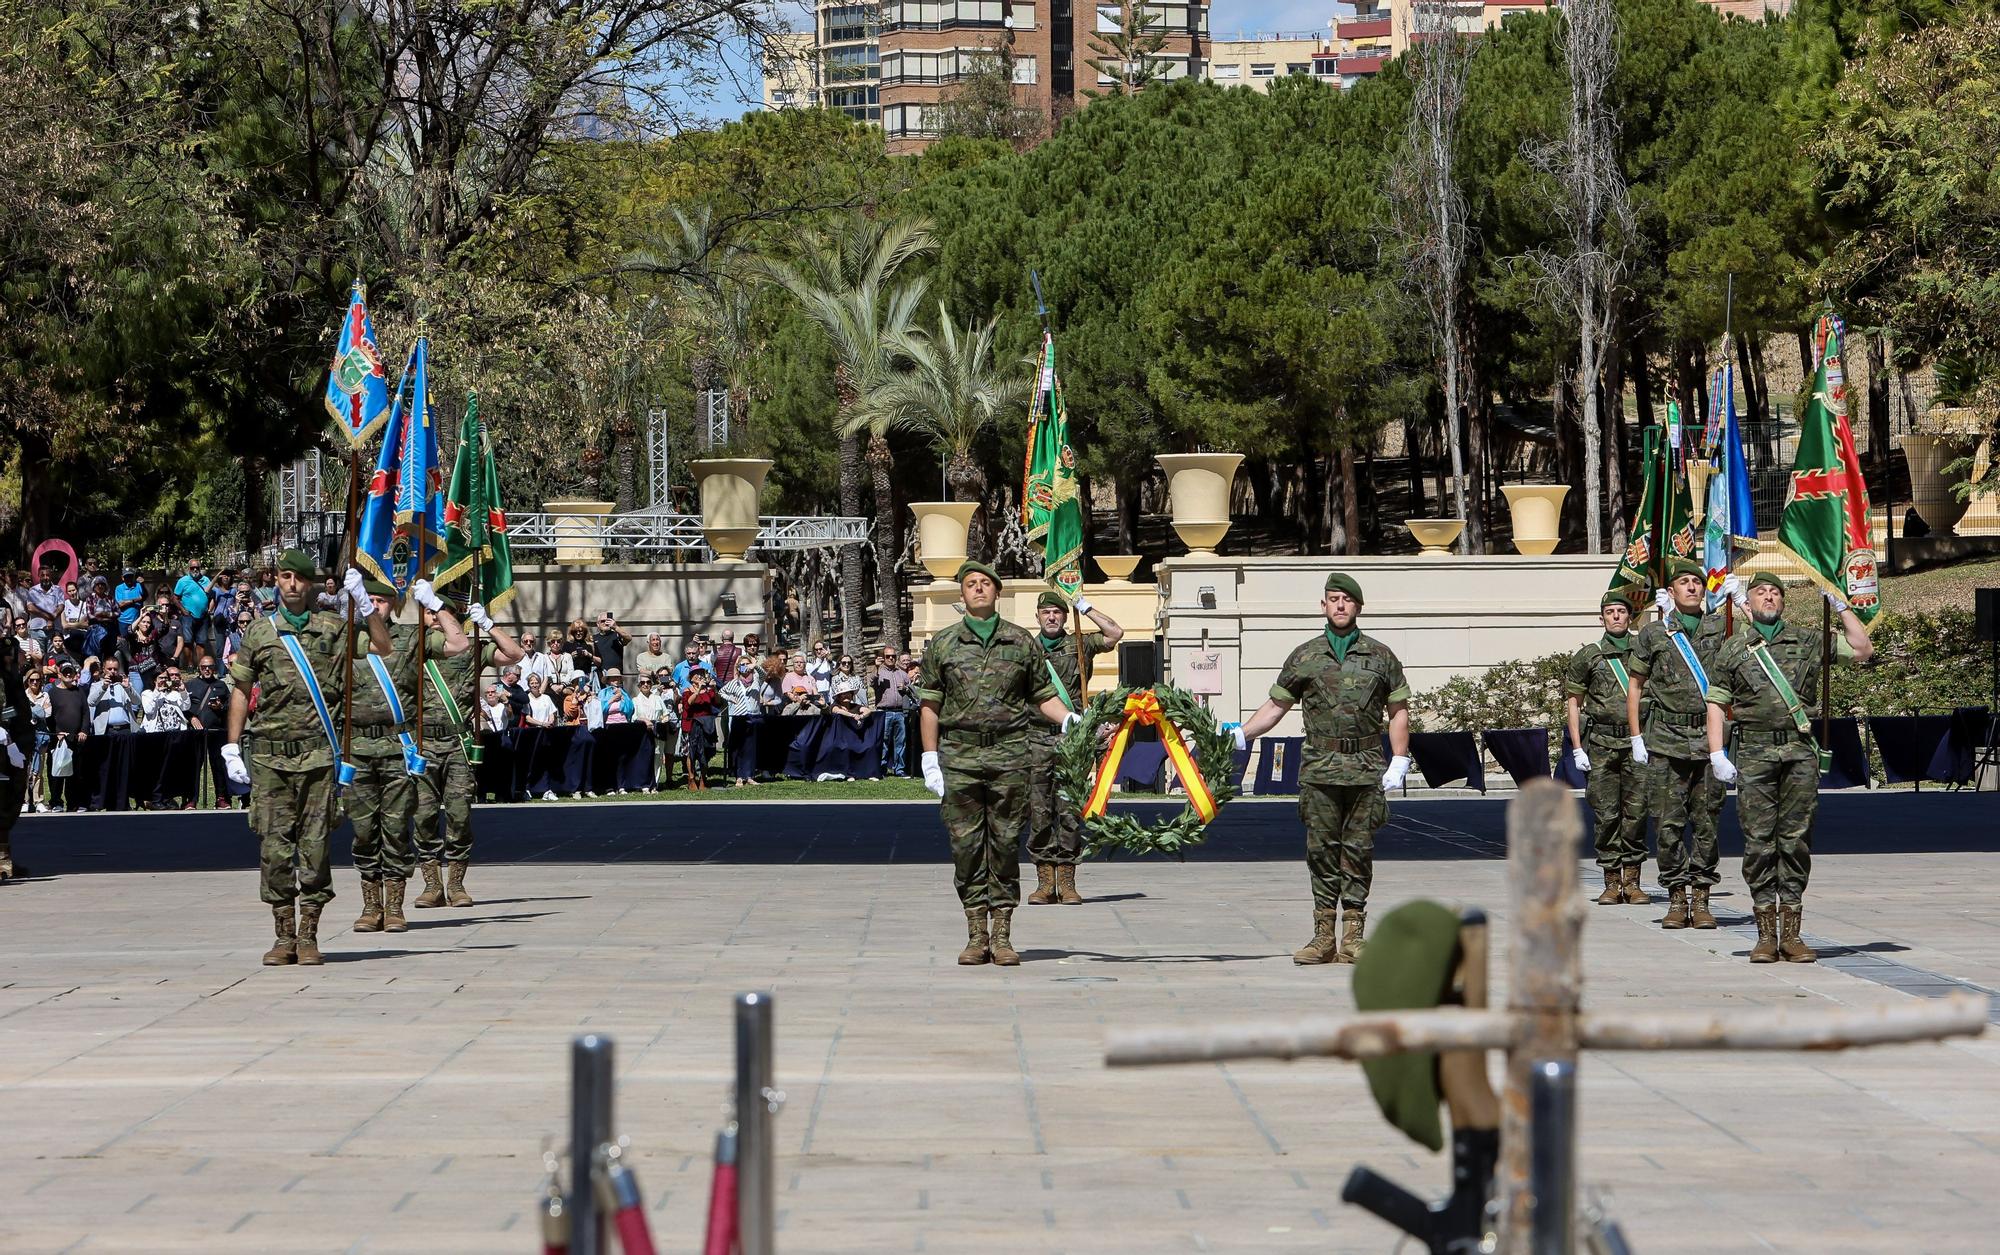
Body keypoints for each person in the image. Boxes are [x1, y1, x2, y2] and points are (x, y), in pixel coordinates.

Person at [1232, 572, 1411, 966]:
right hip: (1320, 768)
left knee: (1359, 851)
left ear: (1358, 607)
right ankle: (1322, 937)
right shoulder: (1305, 656)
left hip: (1365, 768)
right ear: (1323, 606)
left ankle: (1354, 937)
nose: (1340, 606)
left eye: (1347, 600)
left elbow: (1398, 710)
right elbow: (1276, 706)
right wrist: (1242, 734)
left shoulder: (1380, 656)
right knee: (1321, 851)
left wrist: (1400, 758)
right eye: (1333, 599)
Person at [223, 553, 390, 965]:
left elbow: (383, 647)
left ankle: (309, 934)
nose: (292, 584)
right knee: (275, 848)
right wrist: (231, 744)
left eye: (299, 578)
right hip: (270, 759)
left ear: (311, 584)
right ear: (276, 581)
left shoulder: (332, 628)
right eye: (285, 576)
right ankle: (283, 936)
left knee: (314, 849)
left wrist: (365, 608)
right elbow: (242, 690)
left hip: (317, 756)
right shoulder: (261, 632)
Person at [1706, 574, 1873, 963]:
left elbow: (1862, 648)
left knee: (1795, 840)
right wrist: (1717, 754)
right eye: (1761, 592)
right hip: (1753, 752)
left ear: (1783, 601)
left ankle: (1792, 934)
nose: (1769, 597)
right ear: (1749, 602)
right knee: (1759, 842)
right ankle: (1766, 934)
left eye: (1775, 592)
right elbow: (1716, 702)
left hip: (1799, 752)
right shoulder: (1733, 649)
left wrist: (1842, 606)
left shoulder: (1808, 640)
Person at [917, 562, 1075, 968]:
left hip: (1010, 756)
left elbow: (1043, 694)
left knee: (1004, 845)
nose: (978, 589)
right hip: (960, 758)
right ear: (962, 594)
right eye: (970, 584)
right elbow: (930, 704)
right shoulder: (944, 644)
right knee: (967, 847)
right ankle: (976, 934)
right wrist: (929, 756)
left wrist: (1070, 719)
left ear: (997, 593)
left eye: (985, 583)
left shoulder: (1021, 641)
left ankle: (1002, 934)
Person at [341, 575, 467, 935]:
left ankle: (394, 907)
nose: (374, 607)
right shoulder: (346, 639)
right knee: (364, 832)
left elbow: (459, 644)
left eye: (380, 602)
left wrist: (438, 605)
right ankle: (371, 906)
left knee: (396, 829)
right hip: (359, 750)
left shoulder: (413, 639)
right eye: (368, 601)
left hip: (398, 750)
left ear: (392, 605)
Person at [1626, 558, 1739, 931]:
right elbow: (1636, 686)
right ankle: (1677, 897)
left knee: (1706, 822)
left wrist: (1739, 604)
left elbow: (1758, 646)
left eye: (1697, 582)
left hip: (1709, 742)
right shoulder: (1655, 633)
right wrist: (1636, 736)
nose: (1692, 587)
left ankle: (1702, 899)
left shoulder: (1719, 627)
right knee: (1667, 824)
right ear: (1670, 592)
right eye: (1684, 583)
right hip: (1666, 740)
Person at [412, 596, 518, 909]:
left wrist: (488, 625)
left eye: (439, 611)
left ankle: (456, 883)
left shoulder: (472, 649)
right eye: (428, 611)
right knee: (423, 817)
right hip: (422, 745)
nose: (433, 616)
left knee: (459, 816)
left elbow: (515, 653)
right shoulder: (413, 647)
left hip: (457, 745)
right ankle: (432, 885)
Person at [1025, 590, 1124, 906]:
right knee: (1039, 812)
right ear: (1037, 617)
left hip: (1073, 740)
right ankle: (1044, 883)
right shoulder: (1026, 650)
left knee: (1068, 810)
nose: (1052, 617)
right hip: (1036, 737)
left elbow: (1115, 633)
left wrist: (1086, 606)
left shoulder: (1079, 643)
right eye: (1046, 613)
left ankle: (1067, 882)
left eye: (1058, 612)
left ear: (1066, 617)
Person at [1565, 591, 1649, 906]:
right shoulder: (1589, 655)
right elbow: (1574, 703)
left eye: (1621, 611)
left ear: (1630, 618)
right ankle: (1612, 882)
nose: (1615, 616)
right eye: (1609, 612)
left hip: (1635, 743)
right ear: (1601, 618)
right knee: (1606, 813)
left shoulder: (1643, 653)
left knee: (1637, 812)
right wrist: (1577, 747)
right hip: (1600, 743)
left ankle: (1633, 882)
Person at [0, 634, 33, 880]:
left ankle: (6, 858)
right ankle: (3, 861)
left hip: (18, 744)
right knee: (2, 804)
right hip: (4, 745)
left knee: (13, 802)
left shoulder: (13, 676)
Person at [719, 659, 766, 786]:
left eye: (747, 664)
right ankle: (739, 776)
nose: (745, 667)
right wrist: (731, 699)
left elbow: (764, 674)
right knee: (739, 747)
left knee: (751, 748)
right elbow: (721, 692)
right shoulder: (734, 683)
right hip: (739, 717)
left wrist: (755, 666)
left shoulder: (757, 680)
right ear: (738, 667)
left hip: (754, 716)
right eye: (742, 665)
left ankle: (750, 775)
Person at [871, 648, 912, 777]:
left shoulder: (902, 673)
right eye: (888, 656)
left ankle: (899, 769)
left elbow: (911, 689)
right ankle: (881, 768)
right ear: (884, 657)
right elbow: (872, 682)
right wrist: (876, 668)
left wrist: (906, 688)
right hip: (885, 712)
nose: (891, 658)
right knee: (884, 742)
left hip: (900, 712)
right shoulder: (880, 672)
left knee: (901, 742)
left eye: (893, 656)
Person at [678, 668, 719, 790]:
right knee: (691, 753)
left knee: (705, 752)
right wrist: (698, 690)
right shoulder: (687, 691)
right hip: (691, 726)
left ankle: (703, 778)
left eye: (701, 673)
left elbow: (717, 702)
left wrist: (714, 689)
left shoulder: (708, 690)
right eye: (696, 674)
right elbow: (688, 703)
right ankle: (691, 778)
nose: (699, 676)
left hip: (706, 725)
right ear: (691, 678)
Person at [174, 559, 213, 654]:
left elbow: (212, 597)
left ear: (200, 568)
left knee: (201, 642)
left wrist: (210, 610)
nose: (195, 569)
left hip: (203, 617)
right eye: (192, 567)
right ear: (189, 568)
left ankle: (200, 667)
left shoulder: (206, 580)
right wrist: (183, 610)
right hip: (188, 616)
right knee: (187, 642)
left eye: (197, 567)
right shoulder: (183, 581)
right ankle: (190, 666)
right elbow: (175, 598)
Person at [24, 568, 64, 650]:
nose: (45, 577)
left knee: (53, 657)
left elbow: (61, 606)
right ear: (39, 576)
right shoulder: (33, 590)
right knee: (38, 656)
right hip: (37, 630)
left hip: (54, 629)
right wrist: (48, 617)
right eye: (43, 575)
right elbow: (30, 607)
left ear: (51, 576)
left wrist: (52, 618)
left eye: (48, 575)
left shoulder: (58, 589)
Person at [114, 569, 147, 635]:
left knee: (136, 642)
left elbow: (145, 597)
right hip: (123, 622)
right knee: (124, 642)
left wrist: (143, 585)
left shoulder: (138, 585)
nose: (129, 579)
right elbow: (120, 604)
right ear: (122, 578)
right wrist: (136, 600)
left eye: (131, 576)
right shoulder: (119, 588)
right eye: (126, 577)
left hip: (137, 621)